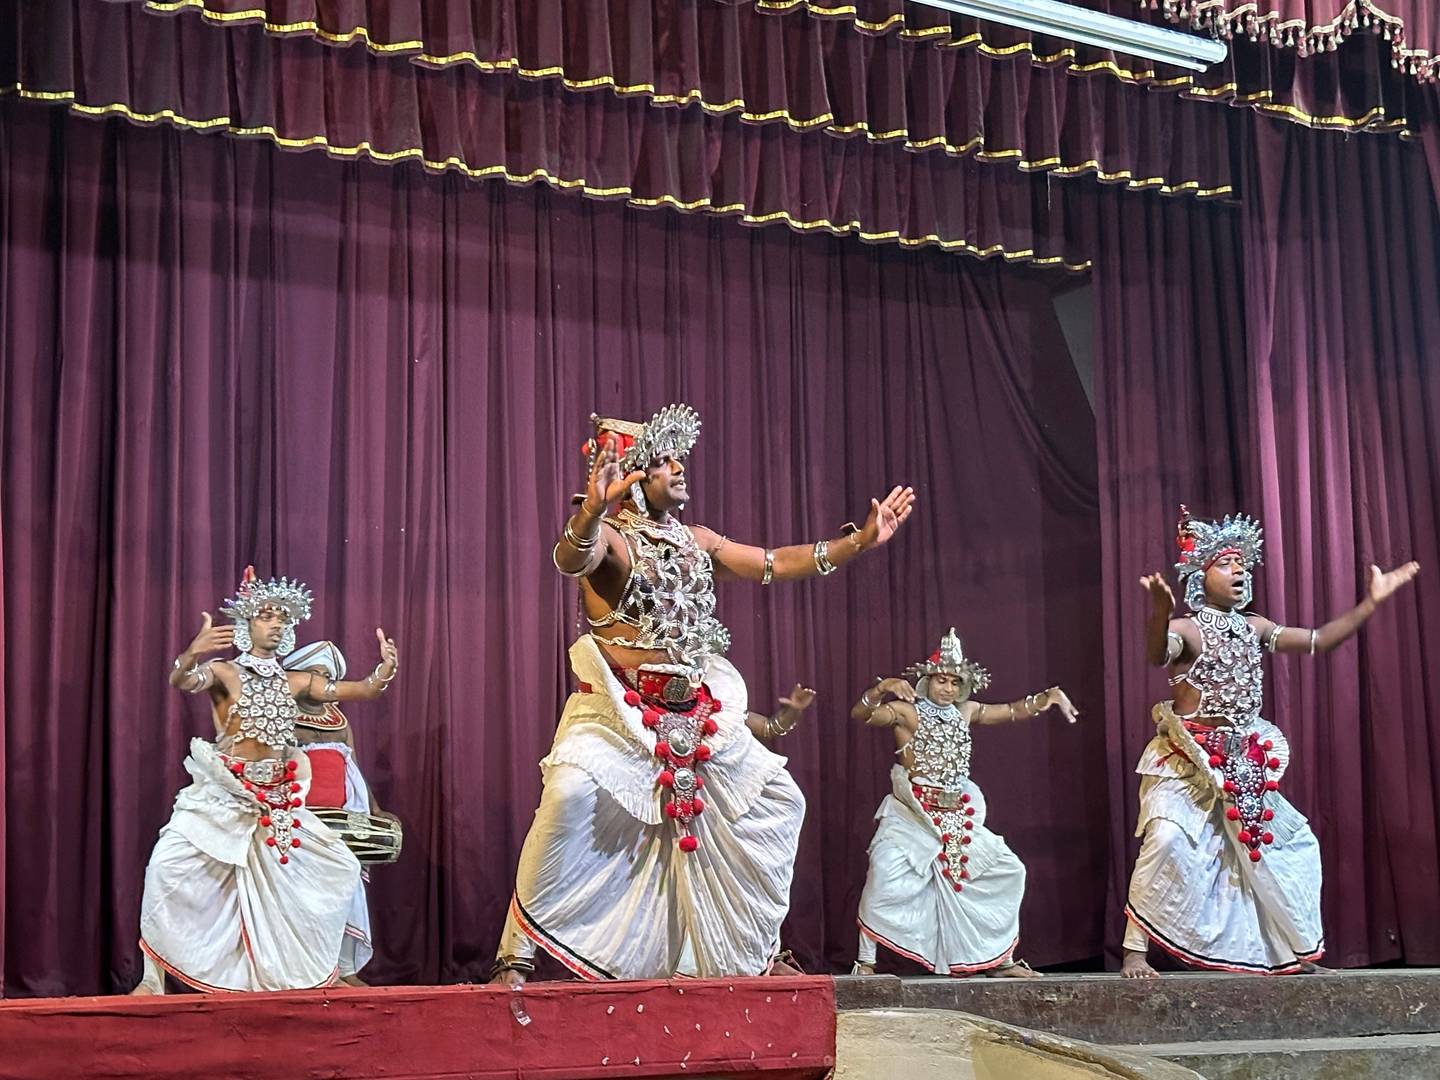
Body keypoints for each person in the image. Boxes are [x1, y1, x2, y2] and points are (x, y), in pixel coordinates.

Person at [492, 404, 914, 983]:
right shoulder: (611, 539)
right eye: (665, 461)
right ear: (634, 478)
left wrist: (858, 543)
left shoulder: (698, 542)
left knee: (781, 802)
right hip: (620, 712)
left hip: (696, 712)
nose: (680, 468)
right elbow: (571, 559)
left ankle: (755, 954)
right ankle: (514, 955)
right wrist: (590, 509)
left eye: (680, 459)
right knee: (567, 796)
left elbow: (772, 563)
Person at [1122, 507, 1419, 977]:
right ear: (1201, 576)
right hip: (1185, 760)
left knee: (1286, 848)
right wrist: (1160, 611)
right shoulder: (1186, 629)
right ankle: (1134, 952)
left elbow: (1319, 640)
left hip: (1243, 761)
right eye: (1225, 563)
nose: (1238, 570)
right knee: (1166, 839)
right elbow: (1157, 653)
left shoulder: (1255, 627)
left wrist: (1370, 603)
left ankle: (1294, 953)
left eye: (1242, 563)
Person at [132, 568, 399, 993]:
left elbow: (364, 690)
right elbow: (183, 679)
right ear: (247, 623)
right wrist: (191, 653)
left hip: (279, 799)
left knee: (339, 867)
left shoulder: (298, 681)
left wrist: (384, 669)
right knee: (167, 867)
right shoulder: (223, 672)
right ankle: (151, 979)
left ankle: (318, 973)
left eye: (282, 618)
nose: (276, 624)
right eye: (266, 616)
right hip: (225, 792)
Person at [850, 628, 1077, 978]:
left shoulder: (965, 711)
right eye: (941, 680)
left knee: (1009, 871)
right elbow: (861, 715)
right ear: (927, 681)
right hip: (914, 816)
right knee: (883, 875)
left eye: (955, 682)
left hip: (957, 817)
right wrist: (882, 689)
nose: (948, 689)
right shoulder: (907, 713)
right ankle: (865, 962)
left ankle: (1001, 962)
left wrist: (1047, 697)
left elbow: (1010, 711)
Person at [284, 639, 399, 986]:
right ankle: (310, 972)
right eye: (314, 674)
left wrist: (375, 809)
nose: (321, 681)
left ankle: (344, 969)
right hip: (299, 821)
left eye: (327, 676)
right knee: (305, 898)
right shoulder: (281, 714)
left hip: (342, 823)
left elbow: (353, 768)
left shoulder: (339, 721)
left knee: (345, 892)